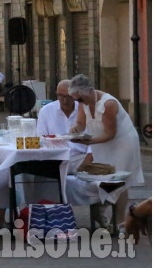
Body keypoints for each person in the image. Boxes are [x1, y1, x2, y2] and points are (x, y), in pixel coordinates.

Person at [68, 74, 144, 224]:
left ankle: (118, 220)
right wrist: (75, 130)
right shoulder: (83, 103)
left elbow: (110, 133)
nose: (78, 102)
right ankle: (99, 213)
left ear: (89, 91)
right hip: (101, 143)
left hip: (122, 143)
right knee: (101, 177)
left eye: (80, 99)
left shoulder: (108, 104)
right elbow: (81, 124)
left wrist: (88, 142)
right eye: (76, 100)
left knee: (119, 181)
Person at [36, 79, 92, 174]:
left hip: (80, 158)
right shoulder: (46, 111)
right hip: (55, 159)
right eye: (60, 96)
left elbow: (94, 137)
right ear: (56, 94)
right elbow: (41, 139)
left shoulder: (84, 110)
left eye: (68, 96)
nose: (65, 101)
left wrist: (89, 158)